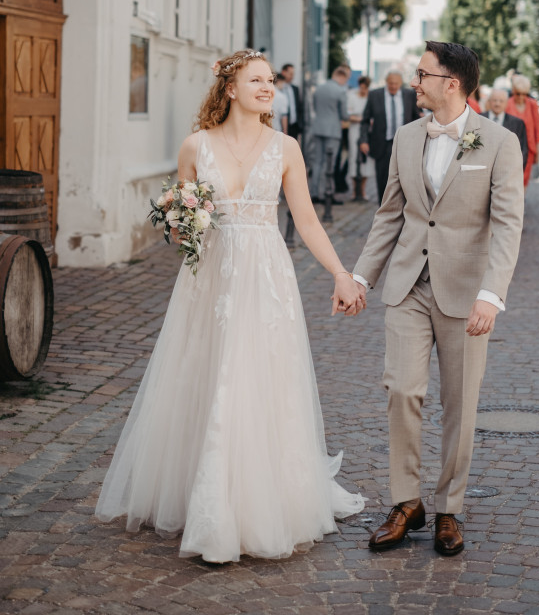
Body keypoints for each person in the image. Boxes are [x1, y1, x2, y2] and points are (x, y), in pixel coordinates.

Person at [95, 50, 365, 563]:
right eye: (256, 80)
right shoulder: (196, 145)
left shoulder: (285, 147)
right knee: (207, 369)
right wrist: (181, 223)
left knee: (259, 376)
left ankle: (258, 500)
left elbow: (306, 220)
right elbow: (182, 225)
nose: (267, 87)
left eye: (270, 80)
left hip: (266, 276)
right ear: (230, 88)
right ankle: (204, 497)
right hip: (211, 279)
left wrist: (340, 273)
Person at [353, 42, 524, 557]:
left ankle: (450, 506)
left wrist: (491, 294)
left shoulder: (499, 142)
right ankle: (406, 502)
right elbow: (390, 214)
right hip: (407, 285)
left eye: (422, 74)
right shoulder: (407, 137)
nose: (414, 82)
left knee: (460, 403)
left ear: (452, 83)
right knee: (402, 390)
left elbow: (508, 224)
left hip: (467, 293)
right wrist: (361, 278)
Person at [360, 70, 421, 202]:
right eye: (390, 83)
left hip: (404, 144)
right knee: (382, 179)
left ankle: (402, 208)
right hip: (382, 144)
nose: (393, 86)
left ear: (401, 83)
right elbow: (365, 120)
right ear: (386, 82)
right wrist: (363, 140)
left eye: (396, 83)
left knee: (404, 178)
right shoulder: (375, 95)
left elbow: (416, 118)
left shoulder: (409, 95)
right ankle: (383, 208)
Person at [309, 65, 350, 204]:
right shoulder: (340, 91)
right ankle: (326, 193)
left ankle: (314, 193)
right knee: (329, 163)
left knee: (317, 162)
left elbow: (315, 107)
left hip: (318, 127)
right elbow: (344, 115)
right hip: (332, 130)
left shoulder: (319, 89)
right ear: (342, 77)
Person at [505, 75, 539, 187]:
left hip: (529, 148)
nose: (521, 97)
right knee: (511, 179)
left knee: (524, 179)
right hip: (511, 148)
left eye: (524, 94)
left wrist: (538, 152)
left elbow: (537, 128)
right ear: (513, 91)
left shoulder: (532, 104)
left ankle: (522, 198)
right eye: (518, 93)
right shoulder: (507, 104)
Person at [482, 88, 528, 170]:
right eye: (494, 100)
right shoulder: (478, 119)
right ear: (489, 101)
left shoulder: (517, 123)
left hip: (508, 169)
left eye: (501, 101)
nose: (497, 104)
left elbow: (523, 150)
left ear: (506, 103)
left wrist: (517, 170)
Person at [347, 75, 374, 199]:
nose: (363, 90)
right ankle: (354, 190)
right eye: (362, 88)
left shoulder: (371, 98)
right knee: (353, 157)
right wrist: (362, 120)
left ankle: (363, 190)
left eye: (365, 88)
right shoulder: (352, 97)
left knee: (367, 159)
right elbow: (348, 115)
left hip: (368, 132)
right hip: (354, 130)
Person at [281, 63, 302, 139]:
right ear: (283, 72)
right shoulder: (278, 89)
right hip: (282, 126)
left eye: (293, 74)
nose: (292, 76)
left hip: (294, 126)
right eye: (290, 74)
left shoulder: (295, 88)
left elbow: (299, 107)